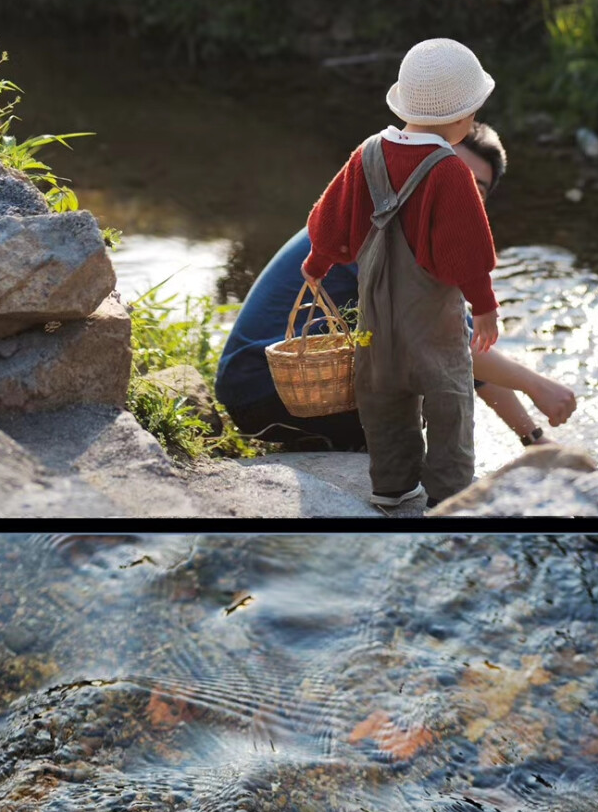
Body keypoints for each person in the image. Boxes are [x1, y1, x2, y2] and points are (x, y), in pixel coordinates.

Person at [214, 119, 576, 454]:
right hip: (261, 386)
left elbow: (468, 346)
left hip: (285, 385)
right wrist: (537, 385)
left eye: (475, 188)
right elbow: (448, 345)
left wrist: (533, 439)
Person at [304, 38, 496, 512]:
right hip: (431, 321)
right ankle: (448, 493)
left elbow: (330, 222)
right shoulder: (451, 171)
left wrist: (317, 265)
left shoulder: (367, 154)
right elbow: (467, 252)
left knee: (383, 397)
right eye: (473, 114)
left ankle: (390, 485)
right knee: (449, 399)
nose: (472, 124)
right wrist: (486, 307)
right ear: (458, 117)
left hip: (376, 317)